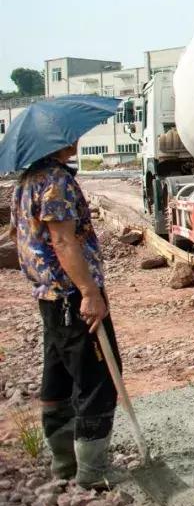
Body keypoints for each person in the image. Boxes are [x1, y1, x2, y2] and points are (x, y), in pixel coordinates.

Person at [11, 143, 117, 488]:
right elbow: (63, 241)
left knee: (57, 378)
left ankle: (64, 465)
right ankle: (92, 475)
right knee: (97, 380)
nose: (78, 140)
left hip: (49, 297)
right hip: (72, 295)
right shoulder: (56, 181)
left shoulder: (27, 180)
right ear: (59, 141)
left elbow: (19, 236)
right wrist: (88, 292)